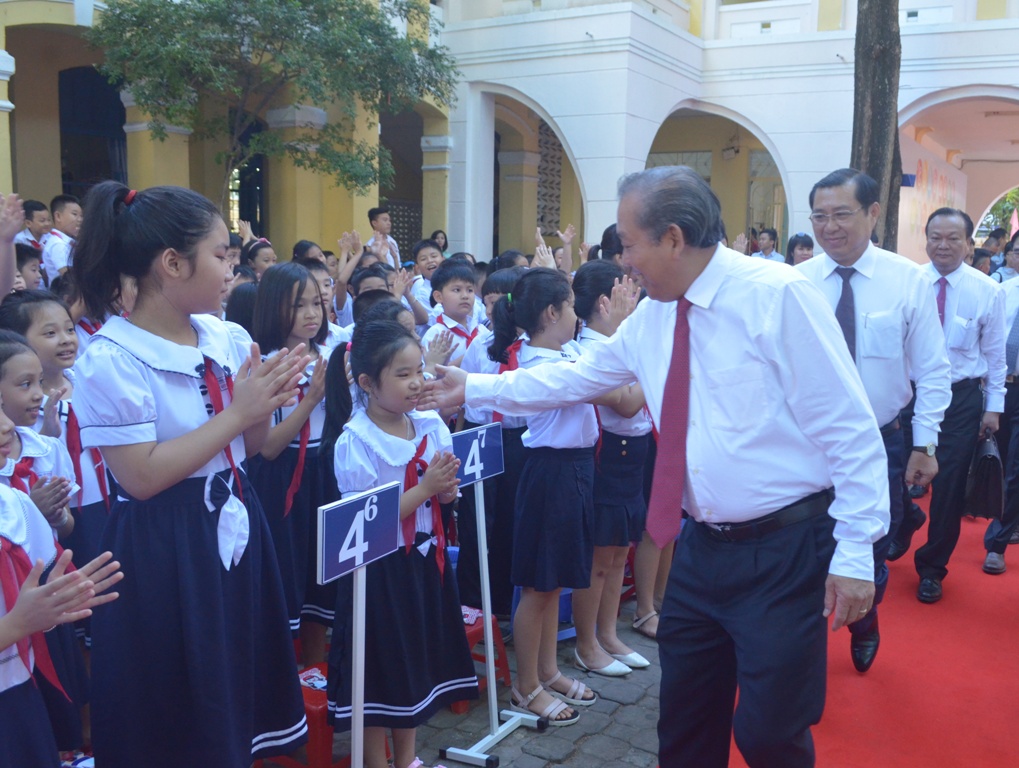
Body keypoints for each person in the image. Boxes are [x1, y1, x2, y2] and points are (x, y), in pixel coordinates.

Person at [421, 166, 889, 768]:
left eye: (628, 243)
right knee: (685, 722)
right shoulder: (655, 317)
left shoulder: (778, 296)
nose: (623, 261)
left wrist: (855, 553)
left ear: (672, 237)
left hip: (785, 549)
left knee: (771, 730)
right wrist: (477, 388)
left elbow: (850, 430)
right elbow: (580, 375)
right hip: (698, 548)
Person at [70, 181, 309, 768]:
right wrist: (241, 411)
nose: (231, 268)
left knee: (234, 678)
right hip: (163, 544)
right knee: (178, 702)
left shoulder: (224, 336)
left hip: (233, 517)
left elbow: (247, 447)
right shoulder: (113, 358)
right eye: (221, 254)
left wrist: (265, 400)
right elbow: (142, 478)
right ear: (172, 264)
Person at [797, 168, 951, 671]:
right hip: (806, 442)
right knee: (802, 543)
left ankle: (865, 618)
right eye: (820, 216)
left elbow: (932, 369)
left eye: (842, 214)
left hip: (879, 440)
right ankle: (796, 642)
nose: (830, 226)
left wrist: (925, 446)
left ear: (873, 213)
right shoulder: (795, 284)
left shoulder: (907, 280)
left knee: (870, 542)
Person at [327, 319, 477, 768]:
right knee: (378, 672)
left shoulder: (430, 425)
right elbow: (364, 525)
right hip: (379, 574)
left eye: (419, 371)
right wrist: (429, 488)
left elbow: (444, 497)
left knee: (413, 665)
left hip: (425, 562)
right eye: (403, 374)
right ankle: (376, 760)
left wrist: (447, 491)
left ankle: (407, 758)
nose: (417, 384)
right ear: (368, 382)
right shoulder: (356, 442)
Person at [482, 268, 600, 725]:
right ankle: (525, 686)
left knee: (555, 583)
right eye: (571, 307)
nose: (577, 316)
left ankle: (547, 671)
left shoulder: (564, 352)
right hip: (551, 473)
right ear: (552, 313)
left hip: (573, 470)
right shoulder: (543, 366)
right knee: (539, 585)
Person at [0, 291, 112, 649]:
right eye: (49, 333)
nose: (65, 339)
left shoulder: (88, 379)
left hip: (99, 502)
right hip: (55, 525)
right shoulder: (17, 419)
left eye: (69, 328)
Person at [908, 208, 1004, 595]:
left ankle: (932, 567)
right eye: (935, 237)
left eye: (952, 238)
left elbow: (995, 357)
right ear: (926, 239)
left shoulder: (987, 291)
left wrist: (993, 407)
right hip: (908, 395)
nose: (942, 245)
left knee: (947, 486)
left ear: (969, 244)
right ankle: (903, 522)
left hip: (960, 400)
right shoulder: (909, 281)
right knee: (892, 471)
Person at [248, 262, 336, 665]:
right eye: (298, 305)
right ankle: (283, 679)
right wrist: (313, 398)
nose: (311, 313)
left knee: (322, 574)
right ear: (273, 307)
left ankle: (315, 671)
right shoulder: (268, 363)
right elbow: (268, 448)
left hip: (324, 471)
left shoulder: (330, 353)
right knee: (286, 575)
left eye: (316, 303)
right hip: (282, 478)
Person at [571, 260, 651, 675]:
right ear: (606, 302)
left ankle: (609, 633)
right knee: (598, 559)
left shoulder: (621, 343)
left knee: (620, 552)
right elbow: (629, 401)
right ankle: (588, 644)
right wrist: (646, 365)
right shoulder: (590, 349)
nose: (637, 300)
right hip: (608, 455)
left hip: (632, 454)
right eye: (628, 292)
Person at [455, 266, 526, 616]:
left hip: (518, 439)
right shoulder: (480, 346)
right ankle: (471, 604)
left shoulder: (532, 348)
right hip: (480, 438)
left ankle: (502, 605)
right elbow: (465, 394)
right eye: (491, 300)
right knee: (475, 524)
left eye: (503, 300)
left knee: (511, 524)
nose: (495, 308)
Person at [421, 259, 489, 366]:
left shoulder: (482, 331)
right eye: (457, 290)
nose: (465, 296)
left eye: (470, 290)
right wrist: (470, 355)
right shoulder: (435, 336)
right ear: (439, 296)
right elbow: (428, 375)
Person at [41, 195, 82, 283]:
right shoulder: (58, 243)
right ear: (58, 216)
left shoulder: (68, 241)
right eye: (74, 214)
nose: (80, 220)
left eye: (81, 215)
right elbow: (68, 276)